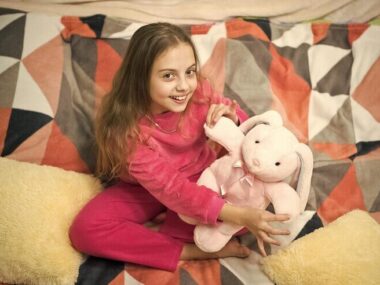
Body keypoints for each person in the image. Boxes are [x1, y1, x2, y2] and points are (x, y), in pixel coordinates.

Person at [69, 22, 290, 272]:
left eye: (190, 71)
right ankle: (187, 250)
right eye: (168, 75)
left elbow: (246, 133)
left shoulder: (198, 93)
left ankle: (196, 229)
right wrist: (239, 215)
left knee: (243, 209)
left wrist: (232, 117)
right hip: (146, 189)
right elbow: (172, 189)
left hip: (202, 177)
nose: (184, 86)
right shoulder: (128, 131)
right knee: (85, 230)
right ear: (140, 78)